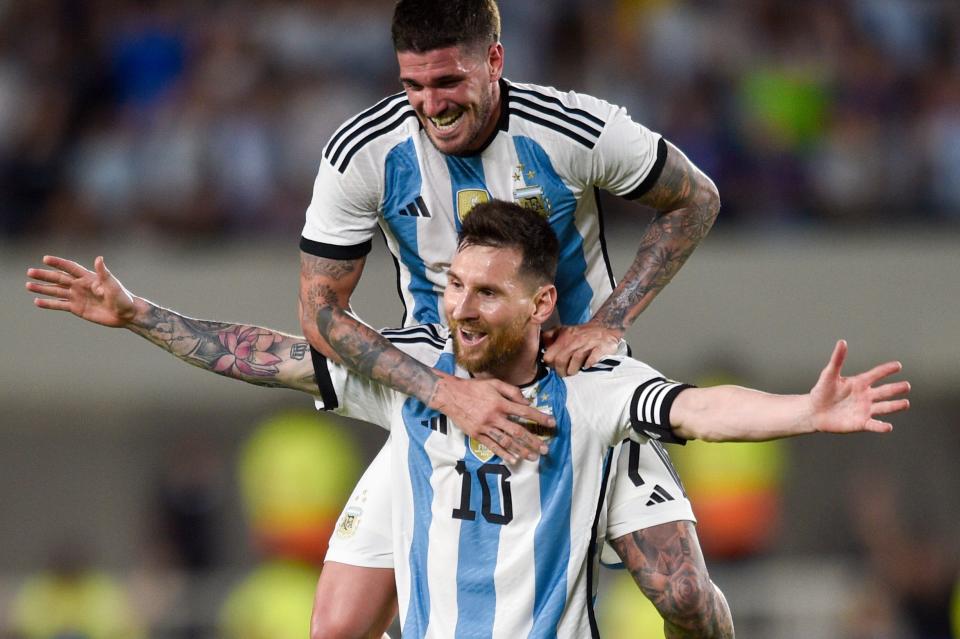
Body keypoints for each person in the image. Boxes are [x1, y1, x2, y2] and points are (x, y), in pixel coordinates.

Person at [28, 201, 910, 637]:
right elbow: (266, 353)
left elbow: (696, 408)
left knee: (685, 594)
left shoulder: (591, 389)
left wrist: (805, 409)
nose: (462, 307)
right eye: (454, 284)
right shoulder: (412, 376)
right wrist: (140, 313)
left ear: (542, 305)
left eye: (488, 291)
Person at [296, 0, 724, 635]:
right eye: (412, 85)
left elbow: (695, 199)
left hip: (575, 396)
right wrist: (444, 391)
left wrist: (610, 321)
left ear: (494, 59)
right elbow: (319, 311)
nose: (431, 105)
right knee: (335, 628)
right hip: (438, 394)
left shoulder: (571, 129)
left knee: (685, 596)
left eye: (448, 82)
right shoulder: (365, 153)